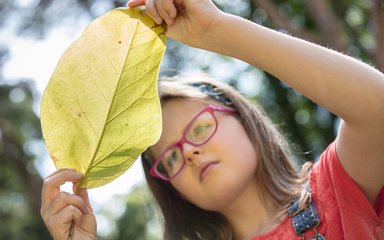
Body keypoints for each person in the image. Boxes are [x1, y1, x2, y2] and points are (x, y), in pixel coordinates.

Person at [40, 0, 384, 239]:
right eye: (171, 157)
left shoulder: (334, 193)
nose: (188, 153)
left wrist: (215, 30)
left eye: (201, 127)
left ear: (243, 119)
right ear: (173, 192)